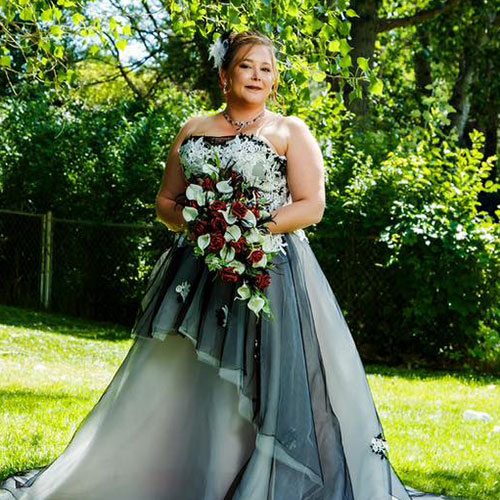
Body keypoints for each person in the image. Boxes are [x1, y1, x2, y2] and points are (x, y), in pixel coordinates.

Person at [0, 30, 458, 500]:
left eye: (266, 68)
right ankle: (189, 475)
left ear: (275, 80)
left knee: (265, 379)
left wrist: (248, 226)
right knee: (187, 381)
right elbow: (165, 200)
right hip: (198, 274)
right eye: (246, 66)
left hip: (269, 272)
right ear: (225, 75)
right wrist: (203, 224)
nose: (258, 75)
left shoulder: (289, 131)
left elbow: (311, 205)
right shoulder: (193, 129)